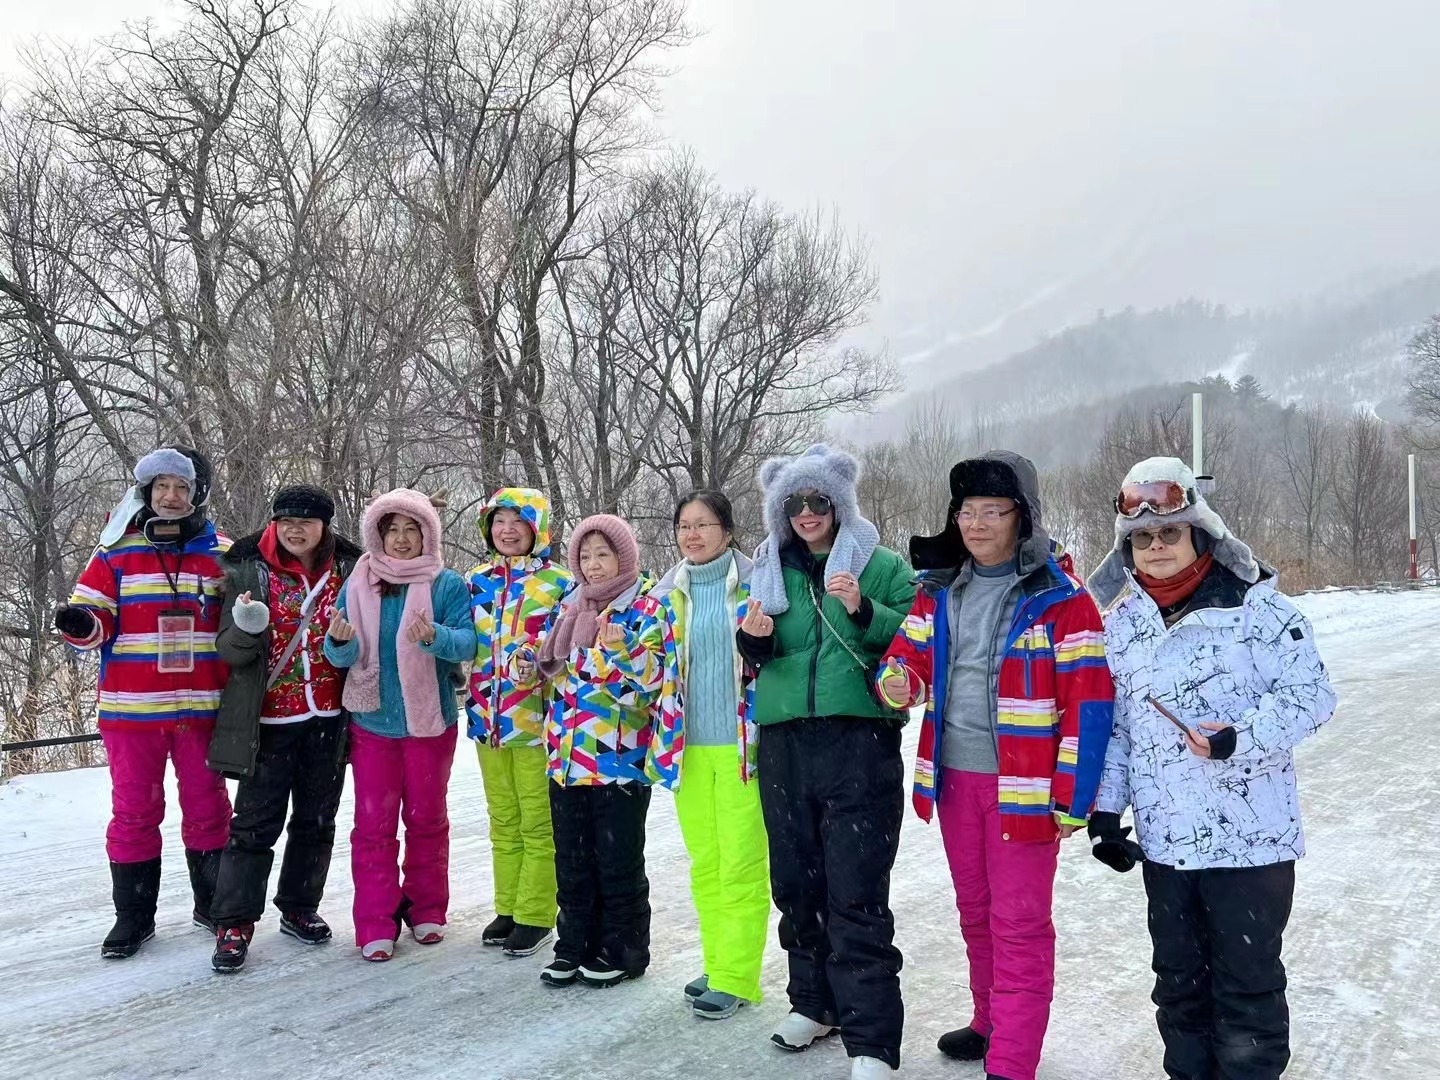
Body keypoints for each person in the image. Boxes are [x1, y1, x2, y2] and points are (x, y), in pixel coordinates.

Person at [1086, 457, 1336, 1080]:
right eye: (1142, 538)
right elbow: (1117, 730)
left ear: (1200, 533)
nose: (1156, 547)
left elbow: (1312, 696)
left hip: (1252, 846)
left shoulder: (1261, 612)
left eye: (1170, 532)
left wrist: (1238, 739)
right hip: (1168, 846)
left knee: (1245, 985)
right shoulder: (1120, 628)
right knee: (1178, 988)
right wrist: (1106, 813)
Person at [876, 451, 1114, 1080]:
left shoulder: (1063, 600)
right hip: (956, 783)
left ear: (1022, 518)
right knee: (976, 913)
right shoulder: (939, 592)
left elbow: (1089, 706)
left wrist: (1073, 798)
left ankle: (1012, 1060)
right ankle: (989, 1021)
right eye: (966, 510)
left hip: (1027, 792)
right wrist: (898, 680)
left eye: (992, 511)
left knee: (1019, 925)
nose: (976, 523)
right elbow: (907, 661)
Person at [737, 443, 916, 1080]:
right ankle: (813, 1003)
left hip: (858, 742)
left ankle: (871, 1038)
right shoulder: (767, 567)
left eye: (818, 502)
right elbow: (760, 648)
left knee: (855, 890)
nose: (807, 514)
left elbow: (915, 640)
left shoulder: (883, 564)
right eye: (795, 504)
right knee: (796, 883)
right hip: (785, 740)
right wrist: (751, 641)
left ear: (839, 503)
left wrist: (862, 608)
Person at [55, 446, 233, 959]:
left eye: (180, 488)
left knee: (209, 808)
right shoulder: (114, 552)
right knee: (134, 812)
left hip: (202, 710)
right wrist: (81, 625)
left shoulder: (219, 552)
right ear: (146, 493)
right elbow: (95, 618)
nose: (171, 497)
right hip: (133, 713)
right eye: (161, 488)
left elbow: (242, 622)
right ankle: (133, 917)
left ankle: (213, 904)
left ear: (196, 493)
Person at [512, 514, 680, 989]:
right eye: (585, 556)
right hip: (565, 758)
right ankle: (573, 946)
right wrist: (527, 663)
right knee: (573, 861)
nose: (593, 565)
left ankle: (623, 949)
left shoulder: (647, 607)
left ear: (623, 556)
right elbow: (547, 669)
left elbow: (651, 687)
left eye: (603, 554)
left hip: (617, 761)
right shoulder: (568, 606)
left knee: (617, 862)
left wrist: (622, 649)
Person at [205, 485, 361, 972]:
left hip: (328, 716)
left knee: (316, 822)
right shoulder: (245, 568)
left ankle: (299, 906)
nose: (295, 529)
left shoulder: (350, 570)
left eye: (307, 521)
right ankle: (233, 922)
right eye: (286, 520)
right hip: (269, 719)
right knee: (253, 827)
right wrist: (246, 627)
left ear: (324, 526)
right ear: (273, 523)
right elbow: (227, 650)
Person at [323, 488, 476, 961]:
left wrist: (436, 637)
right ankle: (375, 921)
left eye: (413, 530)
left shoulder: (445, 583)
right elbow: (340, 654)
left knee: (427, 820)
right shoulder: (359, 582)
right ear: (378, 534)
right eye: (394, 530)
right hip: (373, 724)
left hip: (430, 724)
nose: (403, 539)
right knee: (373, 826)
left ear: (428, 533)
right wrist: (339, 641)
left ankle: (427, 908)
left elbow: (468, 644)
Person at [648, 490, 768, 1020]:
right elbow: (654, 673)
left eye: (703, 524)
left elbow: (776, 655)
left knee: (741, 863)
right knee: (706, 863)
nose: (691, 534)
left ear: (728, 529)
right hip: (688, 747)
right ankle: (718, 961)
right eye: (683, 526)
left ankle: (737, 976)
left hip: (746, 747)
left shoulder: (758, 584)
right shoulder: (667, 594)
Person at [464, 488, 571, 958]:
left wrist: (538, 659)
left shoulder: (559, 583)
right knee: (502, 819)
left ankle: (535, 913)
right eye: (499, 520)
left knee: (536, 821)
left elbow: (565, 648)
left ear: (537, 528)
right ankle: (507, 907)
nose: (507, 530)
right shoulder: (475, 582)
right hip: (485, 720)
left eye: (518, 521)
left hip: (536, 723)